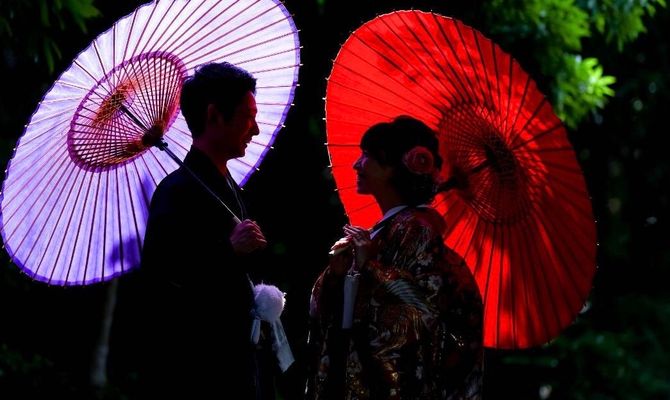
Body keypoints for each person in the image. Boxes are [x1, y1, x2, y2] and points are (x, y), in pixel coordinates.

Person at [306, 116, 484, 399]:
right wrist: (336, 274)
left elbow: (422, 310)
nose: (357, 164)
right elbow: (322, 307)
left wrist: (370, 267)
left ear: (395, 168)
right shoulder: (385, 229)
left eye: (368, 156)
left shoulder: (416, 229)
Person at [136, 62, 273, 398]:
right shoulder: (176, 192)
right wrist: (228, 251)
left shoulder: (228, 188)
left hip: (241, 360)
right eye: (248, 116)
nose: (255, 129)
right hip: (199, 369)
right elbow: (163, 282)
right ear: (214, 115)